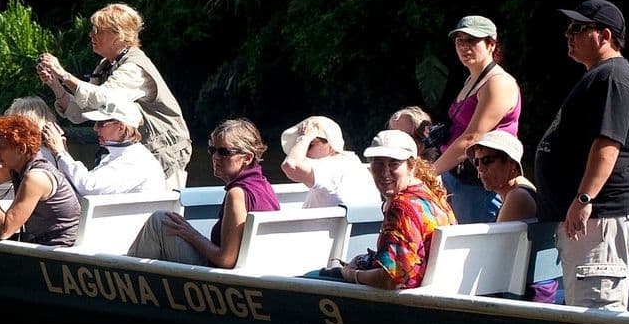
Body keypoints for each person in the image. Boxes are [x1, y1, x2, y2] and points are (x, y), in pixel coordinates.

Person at [532, 0, 629, 311]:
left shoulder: (612, 77)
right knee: (584, 310)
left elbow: (607, 145)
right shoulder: (600, 75)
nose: (568, 34)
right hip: (593, 221)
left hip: (602, 219)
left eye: (578, 28)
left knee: (595, 315)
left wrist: (584, 198)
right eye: (568, 28)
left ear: (605, 35)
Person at [37, 3, 192, 188]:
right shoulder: (106, 66)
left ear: (119, 35)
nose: (91, 34)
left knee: (159, 204)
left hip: (164, 153)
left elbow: (104, 98)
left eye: (98, 30)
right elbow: (81, 112)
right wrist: (55, 84)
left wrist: (64, 75)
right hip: (130, 152)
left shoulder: (134, 67)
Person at [127, 119, 279, 268]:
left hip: (218, 277)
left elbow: (226, 259)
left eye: (224, 152)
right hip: (252, 270)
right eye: (212, 150)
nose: (215, 157)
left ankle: (126, 276)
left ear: (247, 158)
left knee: (160, 220)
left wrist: (191, 234)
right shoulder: (264, 186)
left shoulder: (237, 194)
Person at [330, 130, 454, 290]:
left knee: (314, 277)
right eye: (378, 163)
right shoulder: (432, 195)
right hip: (434, 291)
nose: (385, 172)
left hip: (404, 300)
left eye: (394, 163)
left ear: (411, 166)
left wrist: (351, 274)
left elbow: (392, 279)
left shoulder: (401, 207)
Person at [432, 16, 523, 223]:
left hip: (483, 184)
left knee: (476, 242)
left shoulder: (498, 83)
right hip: (458, 179)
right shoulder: (472, 79)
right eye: (460, 41)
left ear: (491, 44)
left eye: (472, 40)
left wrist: (427, 174)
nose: (464, 47)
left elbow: (472, 137)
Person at [0, 114, 82, 246]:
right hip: (42, 248)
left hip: (58, 251)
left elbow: (3, 231)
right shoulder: (19, 166)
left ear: (21, 149)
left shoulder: (36, 178)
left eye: (1, 147)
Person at [43, 96, 168, 196]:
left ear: (120, 128)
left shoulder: (134, 161)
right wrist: (63, 154)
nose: (95, 128)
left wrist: (61, 153)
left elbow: (88, 187)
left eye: (101, 123)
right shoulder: (129, 154)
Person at [279, 116, 379, 210]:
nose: (304, 152)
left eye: (310, 144)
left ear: (331, 145)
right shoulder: (351, 163)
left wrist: (305, 137)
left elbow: (291, 164)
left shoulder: (333, 166)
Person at [467, 129, 538, 223]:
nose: (480, 169)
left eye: (487, 160)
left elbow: (497, 234)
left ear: (512, 163)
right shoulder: (515, 192)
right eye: (476, 162)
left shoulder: (518, 196)